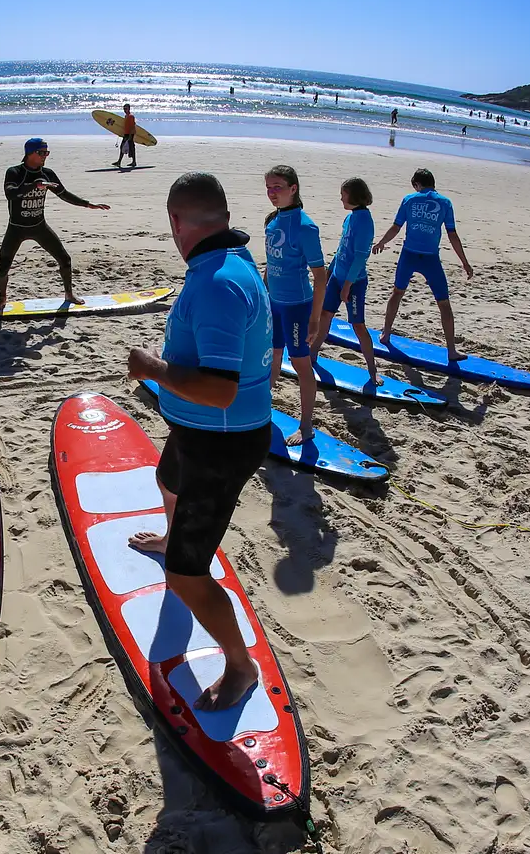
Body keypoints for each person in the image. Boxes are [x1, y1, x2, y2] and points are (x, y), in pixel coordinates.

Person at [126, 172, 272, 712]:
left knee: (189, 575)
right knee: (167, 480)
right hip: (199, 433)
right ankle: (171, 539)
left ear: (176, 223)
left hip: (221, 442)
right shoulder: (230, 262)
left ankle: (240, 665)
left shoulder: (216, 283)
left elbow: (220, 389)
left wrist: (153, 369)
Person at [0, 138, 109, 310]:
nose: (44, 156)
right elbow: (10, 194)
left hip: (39, 226)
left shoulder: (48, 174)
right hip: (16, 228)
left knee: (65, 259)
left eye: (47, 152)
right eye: (41, 152)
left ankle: (69, 294)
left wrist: (88, 204)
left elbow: (64, 194)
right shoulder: (15, 172)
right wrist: (34, 185)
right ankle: (2, 299)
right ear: (29, 153)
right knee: (3, 268)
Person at [372, 168, 474, 361]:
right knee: (443, 303)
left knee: (397, 293)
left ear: (417, 185)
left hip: (409, 255)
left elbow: (396, 227)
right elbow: (452, 234)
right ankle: (451, 351)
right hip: (431, 259)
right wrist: (464, 262)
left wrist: (382, 242)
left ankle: (385, 335)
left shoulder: (409, 199)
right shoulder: (445, 203)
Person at [263, 165, 326, 445]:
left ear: (293, 188)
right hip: (274, 304)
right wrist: (264, 295)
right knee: (272, 358)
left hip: (297, 307)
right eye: (268, 187)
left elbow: (320, 276)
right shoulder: (272, 221)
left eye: (277, 187)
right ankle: (262, 409)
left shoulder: (305, 227)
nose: (272, 192)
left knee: (301, 366)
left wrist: (314, 320)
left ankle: (306, 426)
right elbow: (271, 265)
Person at [310, 178, 380, 385]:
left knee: (357, 325)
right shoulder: (350, 218)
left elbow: (360, 257)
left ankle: (373, 370)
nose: (341, 197)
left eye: (344, 194)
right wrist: (329, 272)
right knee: (324, 315)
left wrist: (348, 285)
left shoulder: (365, 221)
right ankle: (312, 355)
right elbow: (342, 249)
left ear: (354, 196)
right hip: (337, 277)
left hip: (355, 282)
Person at [113, 103, 137, 168]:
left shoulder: (131, 116)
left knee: (128, 147)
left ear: (129, 109)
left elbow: (132, 127)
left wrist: (129, 136)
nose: (124, 110)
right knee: (127, 147)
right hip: (126, 133)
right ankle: (131, 162)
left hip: (130, 134)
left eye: (126, 108)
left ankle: (120, 162)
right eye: (124, 109)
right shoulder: (126, 116)